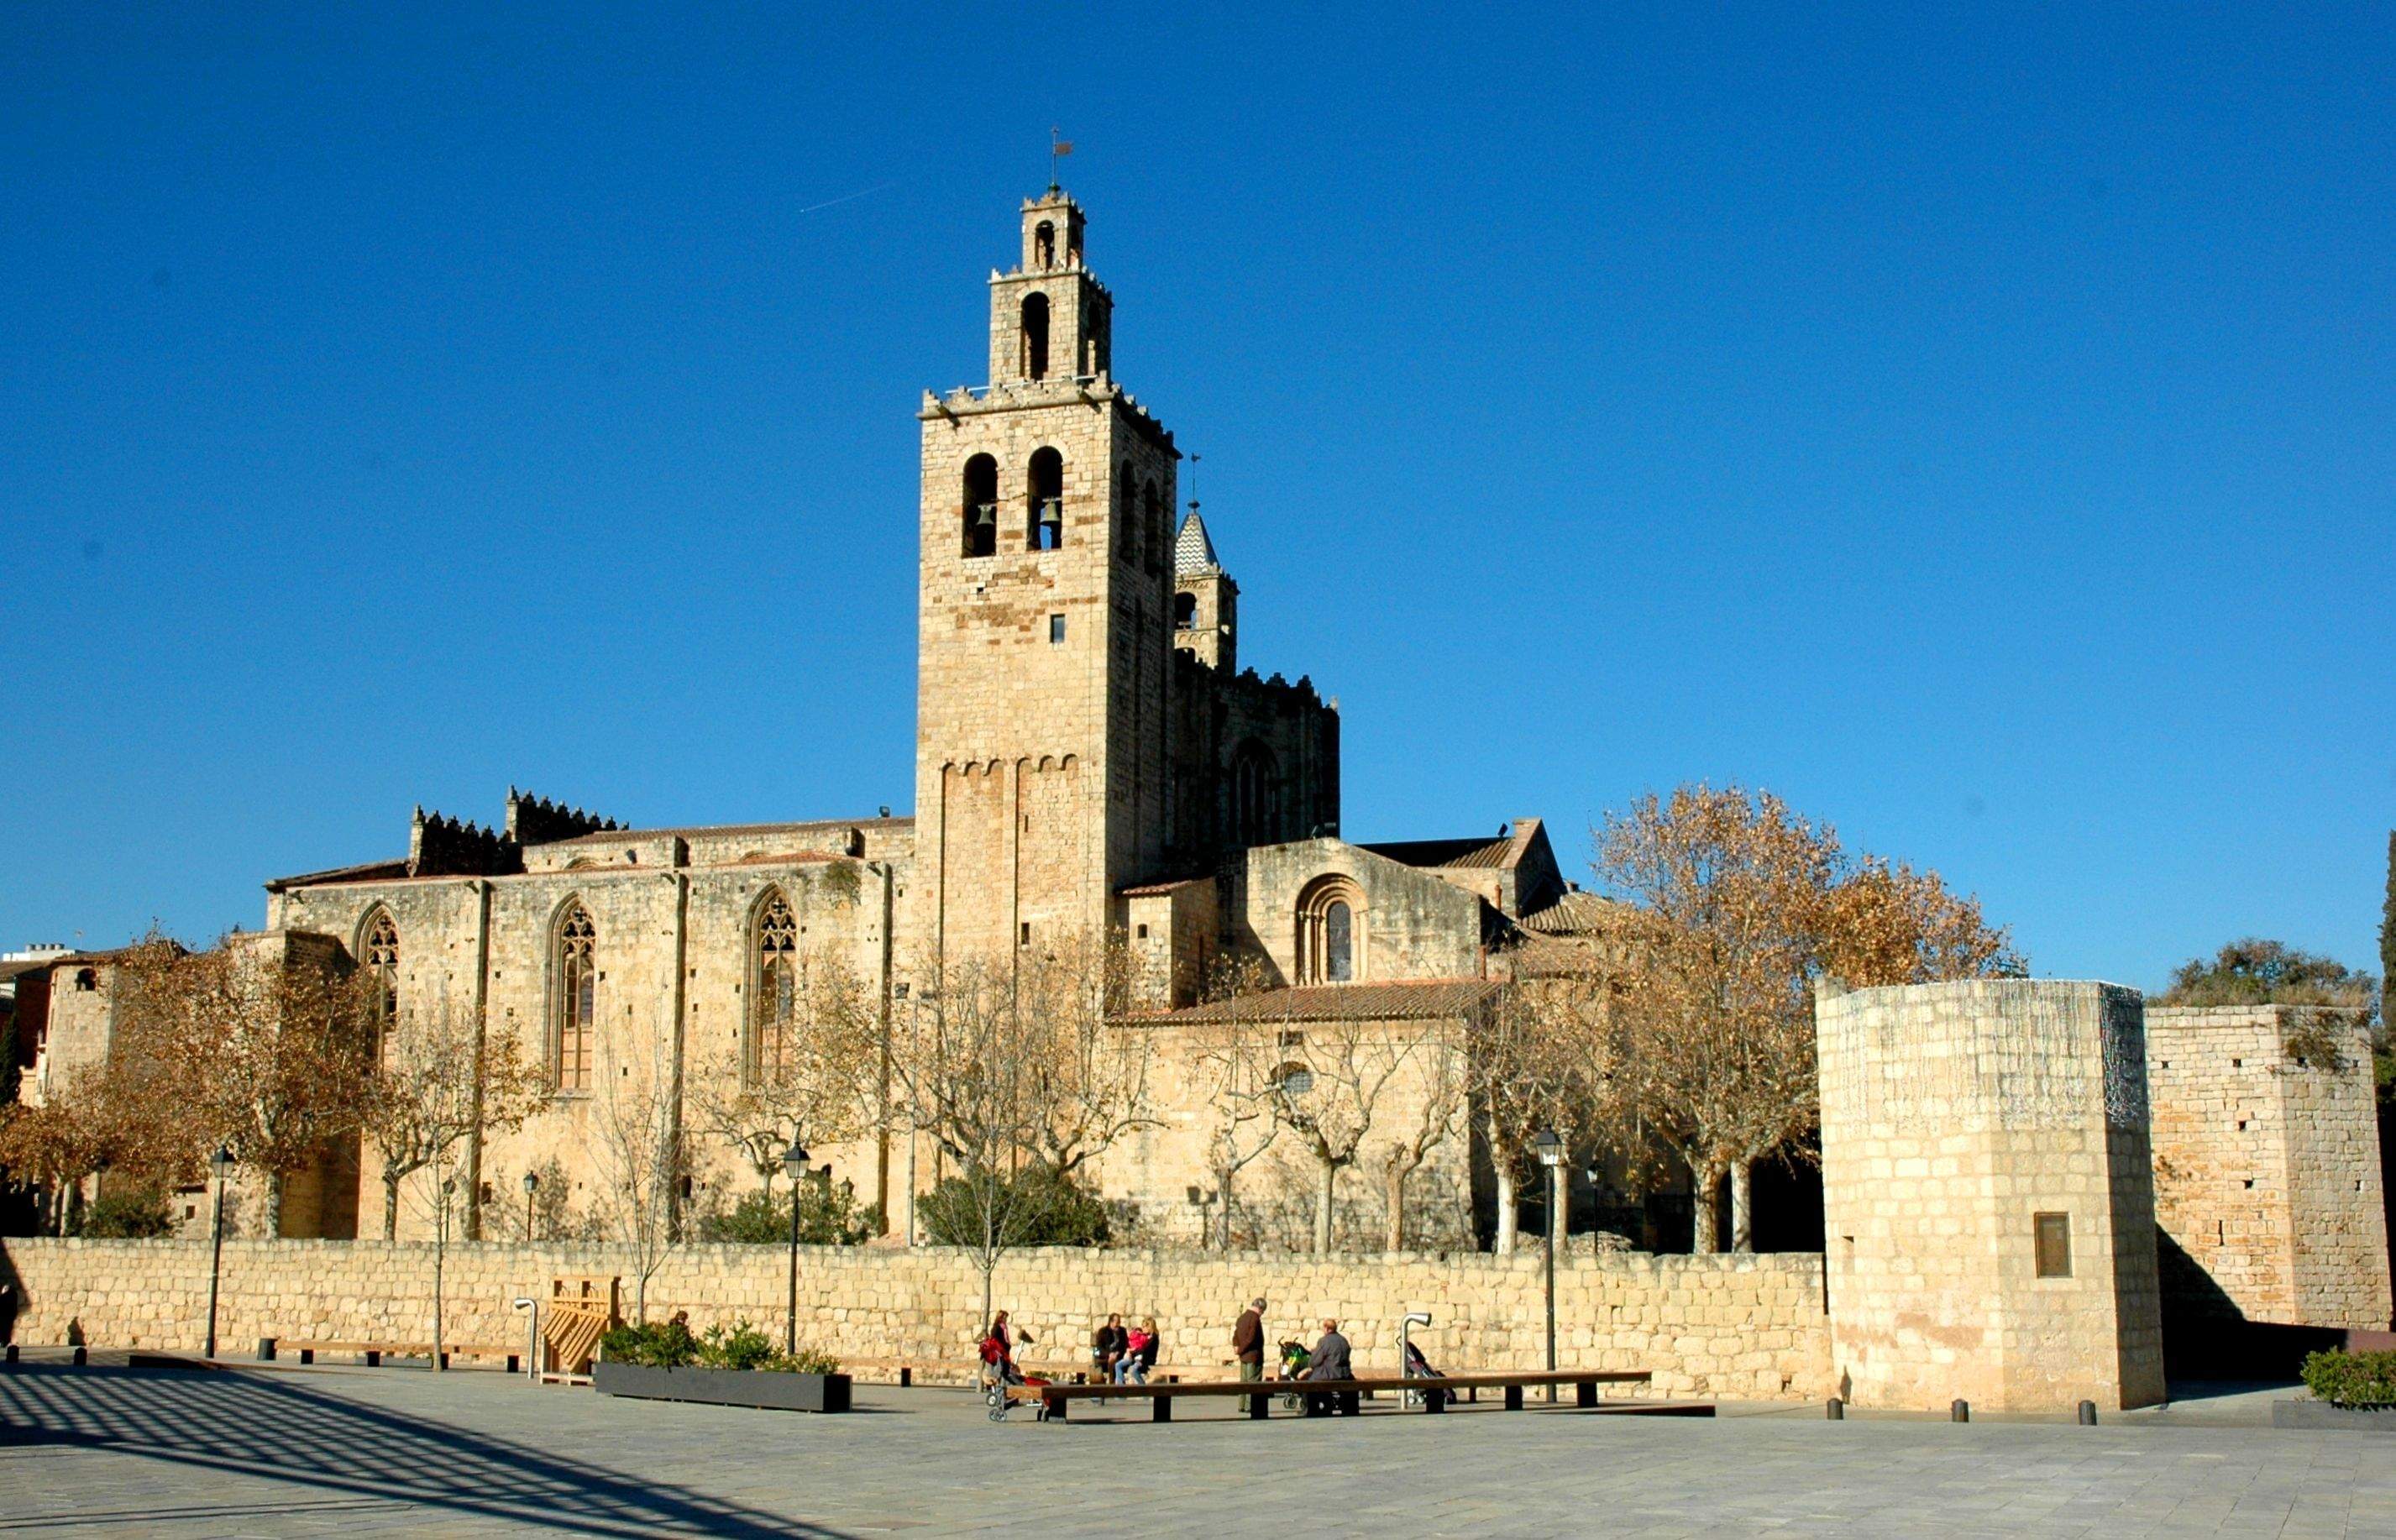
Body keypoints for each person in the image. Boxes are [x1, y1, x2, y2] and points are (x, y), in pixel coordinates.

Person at [1233, 1297, 1266, 1382]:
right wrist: (1241, 1350)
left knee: (1244, 1383)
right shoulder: (1254, 1318)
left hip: (1243, 1356)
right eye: (1262, 1311)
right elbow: (1251, 1338)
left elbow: (1236, 1334)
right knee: (1253, 1383)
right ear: (1260, 1308)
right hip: (1253, 1356)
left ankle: (1243, 1396)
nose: (1261, 1314)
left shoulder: (1242, 1317)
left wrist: (1237, 1347)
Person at [1116, 1317, 1159, 1385]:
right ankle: (1120, 1386)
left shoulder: (1153, 1338)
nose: (1143, 1328)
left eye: (1144, 1326)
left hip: (1146, 1360)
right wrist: (1129, 1350)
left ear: (1149, 1327)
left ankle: (1143, 1387)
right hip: (1135, 1357)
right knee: (1118, 1365)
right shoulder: (1144, 1336)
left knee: (1133, 1370)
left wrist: (1134, 1350)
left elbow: (1146, 1350)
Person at [1092, 1312, 1127, 1383]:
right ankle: (1109, 1385)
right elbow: (1097, 1349)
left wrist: (1117, 1353)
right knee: (1109, 1363)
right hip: (1104, 1357)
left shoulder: (1122, 1331)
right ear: (1111, 1322)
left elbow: (1124, 1346)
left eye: (1119, 1322)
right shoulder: (1102, 1331)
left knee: (1115, 1363)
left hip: (1117, 1357)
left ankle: (1114, 1385)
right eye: (1116, 1322)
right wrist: (1109, 1354)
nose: (1118, 1324)